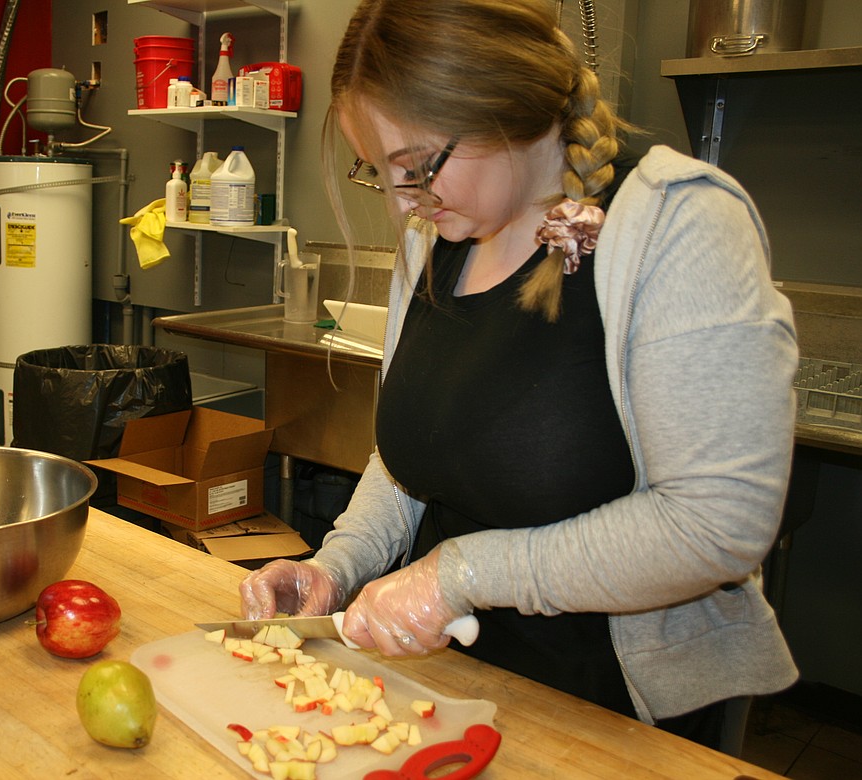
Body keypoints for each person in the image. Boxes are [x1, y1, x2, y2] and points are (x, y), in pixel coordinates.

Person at [239, 0, 799, 752]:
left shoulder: (678, 222)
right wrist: (337, 567)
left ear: (508, 111)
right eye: (382, 175)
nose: (406, 203)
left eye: (417, 170)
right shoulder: (432, 243)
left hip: (619, 721)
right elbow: (412, 460)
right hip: (447, 692)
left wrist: (458, 575)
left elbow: (716, 522)